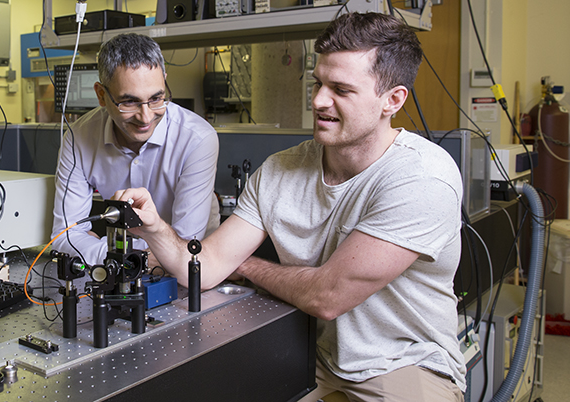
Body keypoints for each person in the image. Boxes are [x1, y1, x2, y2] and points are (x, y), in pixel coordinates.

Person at [113, 12, 466, 402]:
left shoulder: (421, 177)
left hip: (405, 364)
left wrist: (245, 265)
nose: (318, 101)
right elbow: (208, 266)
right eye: (317, 83)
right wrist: (154, 227)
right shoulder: (282, 170)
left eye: (341, 90)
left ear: (392, 100)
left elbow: (328, 297)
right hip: (313, 354)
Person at [51, 32, 219, 266]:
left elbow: (186, 248)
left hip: (192, 276)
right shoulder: (78, 138)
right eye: (129, 102)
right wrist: (137, 258)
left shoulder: (197, 139)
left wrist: (98, 249)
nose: (145, 116)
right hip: (120, 273)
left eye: (156, 98)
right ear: (101, 95)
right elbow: (65, 236)